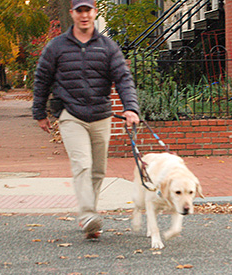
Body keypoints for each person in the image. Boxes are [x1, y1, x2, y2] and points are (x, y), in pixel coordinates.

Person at [33, 0, 140, 238]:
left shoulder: (108, 47)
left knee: (98, 170)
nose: (84, 15)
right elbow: (42, 79)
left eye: (88, 10)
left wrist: (131, 108)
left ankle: (89, 216)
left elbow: (123, 78)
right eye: (79, 11)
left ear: (95, 12)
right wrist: (39, 112)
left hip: (101, 115)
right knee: (82, 164)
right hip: (71, 114)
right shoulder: (56, 46)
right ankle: (88, 215)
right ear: (72, 13)